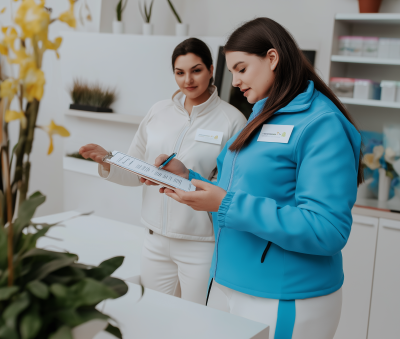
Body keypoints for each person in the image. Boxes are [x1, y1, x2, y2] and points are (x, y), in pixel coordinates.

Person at [145, 18, 362, 339]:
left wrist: (227, 203)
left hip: (284, 294)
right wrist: (187, 178)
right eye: (231, 71)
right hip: (228, 283)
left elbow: (327, 229)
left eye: (241, 69)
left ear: (272, 58)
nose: (234, 81)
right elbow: (236, 193)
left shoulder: (321, 123)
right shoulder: (260, 116)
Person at [79, 38, 246, 304]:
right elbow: (136, 172)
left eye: (196, 70)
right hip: (154, 241)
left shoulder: (233, 120)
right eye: (180, 73)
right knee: (154, 318)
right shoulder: (158, 112)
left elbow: (230, 187)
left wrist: (186, 176)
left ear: (211, 69)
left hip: (200, 244)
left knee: (196, 323)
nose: (187, 80)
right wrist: (108, 161)